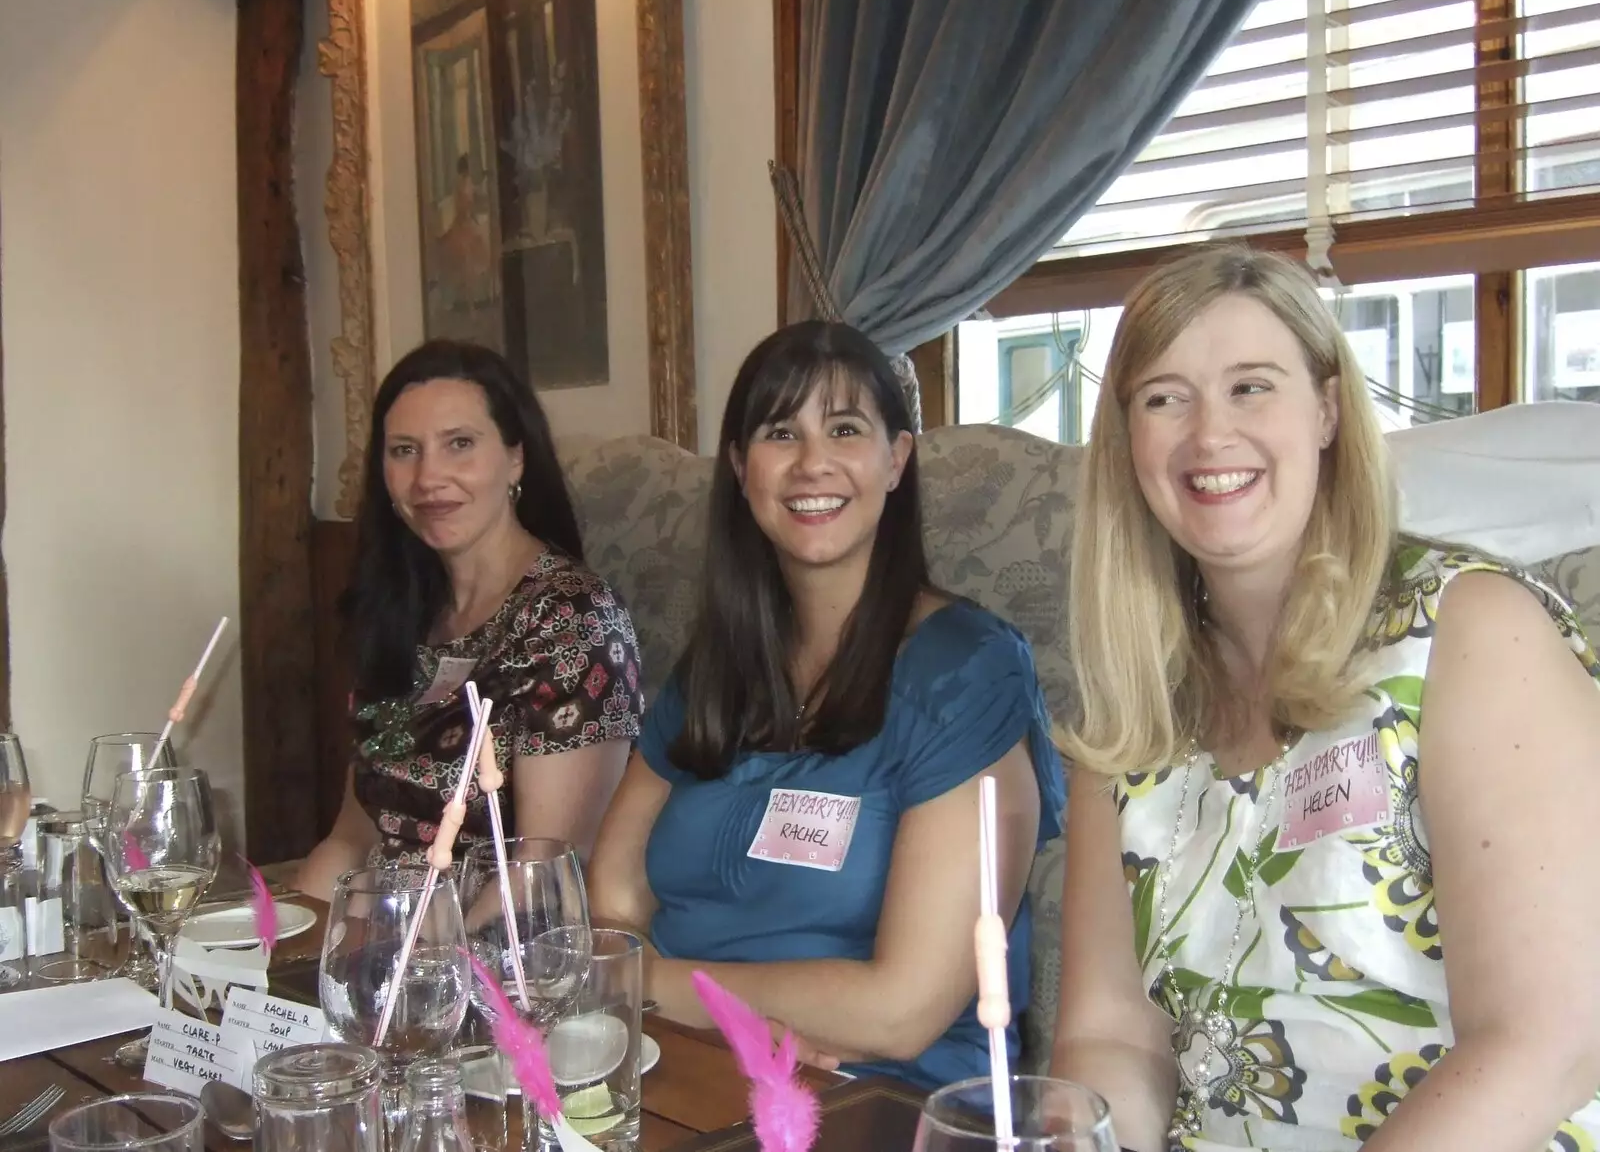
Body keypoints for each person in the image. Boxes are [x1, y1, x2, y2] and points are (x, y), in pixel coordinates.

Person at [1049, 245, 1600, 1151]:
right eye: (1164, 397)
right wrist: (1079, 1135)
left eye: (1251, 386)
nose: (1208, 435)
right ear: (1128, 441)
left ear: (1328, 409)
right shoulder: (1131, 703)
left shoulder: (1472, 634)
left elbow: (1546, 1043)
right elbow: (1110, 1036)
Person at [587, 320, 1065, 1090]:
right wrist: (725, 1020)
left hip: (879, 1095)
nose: (814, 462)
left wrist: (661, 988)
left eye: (845, 428)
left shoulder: (967, 671)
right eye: (782, 432)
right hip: (685, 1066)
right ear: (742, 469)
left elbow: (901, 1010)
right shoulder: (715, 665)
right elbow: (613, 893)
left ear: (896, 460)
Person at [295, 340, 643, 900]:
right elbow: (351, 838)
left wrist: (406, 963)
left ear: (515, 457)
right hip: (373, 943)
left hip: (489, 960)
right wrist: (277, 947)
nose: (429, 476)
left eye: (459, 444)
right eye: (405, 450)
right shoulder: (399, 611)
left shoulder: (575, 619)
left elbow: (546, 877)